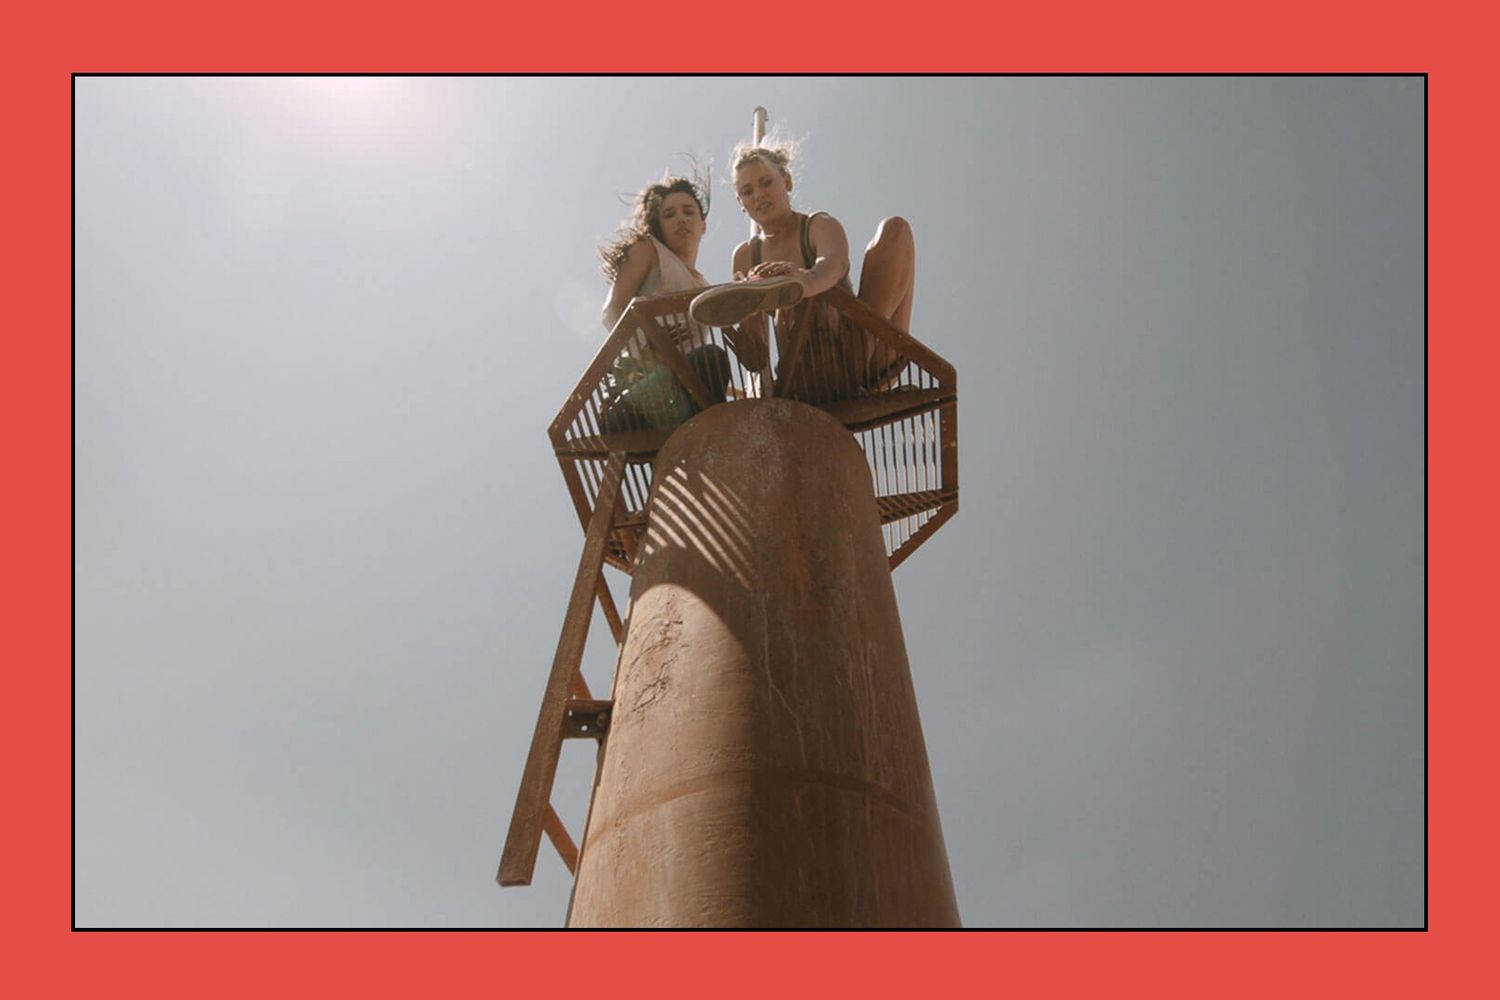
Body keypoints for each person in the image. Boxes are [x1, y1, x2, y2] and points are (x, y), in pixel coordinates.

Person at [690, 141, 915, 402]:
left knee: (895, 230)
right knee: (788, 305)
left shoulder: (818, 225)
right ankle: (778, 297)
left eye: (766, 183)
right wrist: (742, 322)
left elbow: (834, 265)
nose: (758, 195)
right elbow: (756, 359)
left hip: (867, 356)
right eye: (748, 191)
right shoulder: (745, 256)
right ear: (741, 202)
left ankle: (855, 376)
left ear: (787, 182)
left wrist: (799, 282)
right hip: (805, 371)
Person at [597, 170, 735, 433]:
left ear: (703, 225)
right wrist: (650, 343)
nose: (680, 219)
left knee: (710, 369)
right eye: (669, 215)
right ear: (659, 226)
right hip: (635, 394)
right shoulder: (649, 249)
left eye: (688, 211)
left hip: (677, 395)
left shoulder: (703, 286)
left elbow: (690, 360)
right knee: (711, 359)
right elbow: (612, 311)